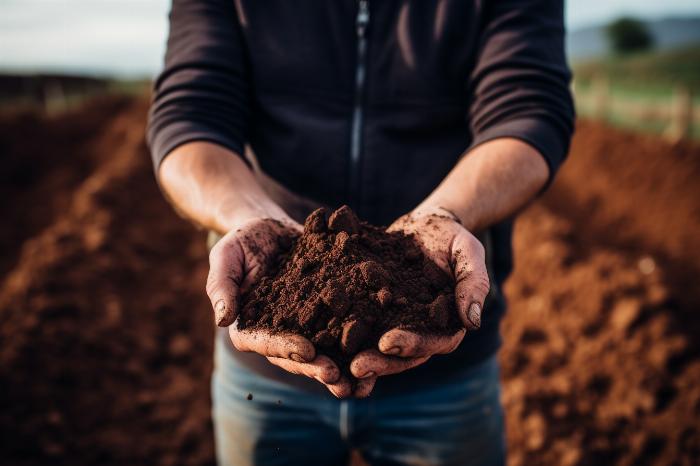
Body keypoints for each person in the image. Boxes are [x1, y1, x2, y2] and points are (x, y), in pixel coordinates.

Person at [147, 1, 574, 464]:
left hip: (445, 375)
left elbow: (529, 109)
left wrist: (446, 212)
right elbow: (190, 115)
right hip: (267, 379)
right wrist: (246, 213)